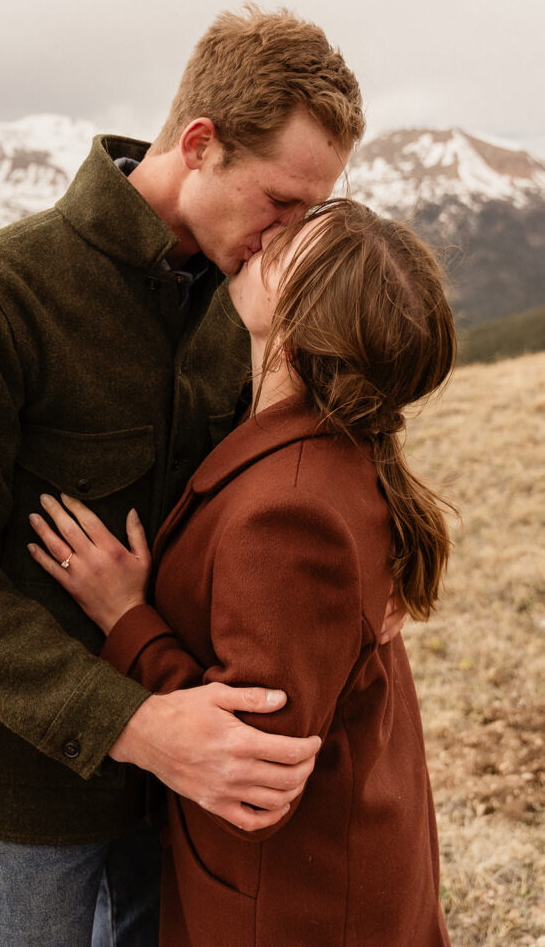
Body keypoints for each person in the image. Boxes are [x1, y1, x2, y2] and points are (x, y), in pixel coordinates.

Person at [0, 7, 402, 946]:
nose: (286, 239)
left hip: (182, 796)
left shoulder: (247, 300)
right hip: (25, 798)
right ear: (199, 144)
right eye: (279, 204)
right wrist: (138, 726)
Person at [29, 199, 455, 946]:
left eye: (288, 246)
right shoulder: (330, 450)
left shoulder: (287, 514)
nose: (265, 238)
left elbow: (250, 773)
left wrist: (125, 618)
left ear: (300, 327)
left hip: (292, 909)